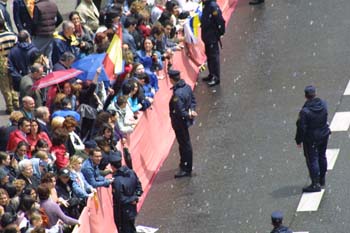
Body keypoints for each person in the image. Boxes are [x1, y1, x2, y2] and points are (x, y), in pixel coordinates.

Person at [295, 85, 331, 193]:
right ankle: (322, 179)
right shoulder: (323, 105)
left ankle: (315, 184)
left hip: (311, 139)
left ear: (305, 96)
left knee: (312, 160)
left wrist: (298, 140)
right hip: (324, 134)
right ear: (315, 94)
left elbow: (301, 127)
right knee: (322, 156)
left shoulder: (305, 111)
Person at [168, 70, 197, 178]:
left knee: (185, 144)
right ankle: (184, 163)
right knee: (184, 143)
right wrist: (191, 110)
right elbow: (193, 101)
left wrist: (188, 114)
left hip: (180, 122)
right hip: (184, 120)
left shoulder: (177, 94)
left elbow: (180, 111)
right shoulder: (187, 87)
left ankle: (186, 167)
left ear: (171, 79)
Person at [110, 153, 142, 233]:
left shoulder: (116, 180)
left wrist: (133, 198)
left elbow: (120, 199)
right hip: (132, 209)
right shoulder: (131, 172)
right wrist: (135, 197)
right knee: (132, 228)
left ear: (112, 166)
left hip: (122, 212)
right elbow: (139, 188)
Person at [200, 0, 225, 87]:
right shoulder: (206, 5)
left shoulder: (213, 6)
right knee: (209, 56)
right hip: (207, 36)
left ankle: (216, 77)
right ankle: (211, 74)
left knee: (214, 57)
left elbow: (220, 20)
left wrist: (220, 32)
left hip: (212, 36)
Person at [0, 18, 19, 114]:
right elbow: (17, 49)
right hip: (13, 62)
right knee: (13, 83)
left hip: (2, 64)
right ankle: (16, 101)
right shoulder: (12, 35)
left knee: (5, 86)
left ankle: (10, 105)